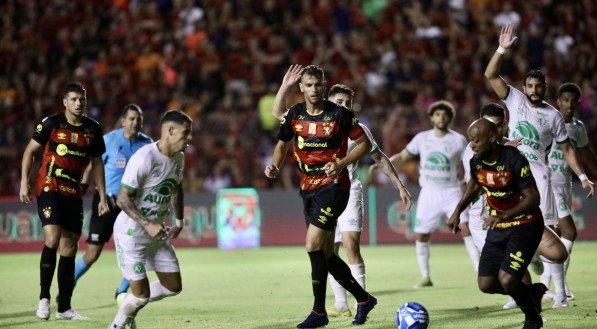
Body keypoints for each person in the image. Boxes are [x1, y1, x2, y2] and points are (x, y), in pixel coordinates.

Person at [272, 78, 412, 318]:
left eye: (348, 102)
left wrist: (399, 185)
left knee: (350, 244)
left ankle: (361, 305)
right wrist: (285, 85)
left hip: (347, 188)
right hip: (317, 188)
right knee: (329, 250)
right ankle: (342, 305)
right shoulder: (315, 118)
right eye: (340, 101)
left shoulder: (357, 128)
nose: (344, 105)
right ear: (330, 100)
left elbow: (379, 158)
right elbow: (280, 114)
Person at [484, 23, 594, 308]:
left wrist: (582, 175)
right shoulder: (515, 99)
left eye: (538, 86)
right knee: (515, 231)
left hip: (539, 180)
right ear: (524, 88)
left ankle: (559, 294)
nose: (534, 90)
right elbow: (490, 74)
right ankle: (523, 287)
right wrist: (502, 49)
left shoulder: (554, 116)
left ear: (545, 88)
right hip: (513, 177)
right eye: (529, 85)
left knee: (547, 232)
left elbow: (568, 149)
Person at [265, 64, 377, 328]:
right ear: (301, 88)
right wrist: (275, 165)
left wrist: (341, 163)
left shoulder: (339, 114)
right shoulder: (294, 114)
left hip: (334, 186)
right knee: (326, 254)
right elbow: (282, 144)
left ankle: (318, 312)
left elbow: (366, 144)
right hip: (308, 187)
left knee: (312, 245)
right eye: (309, 85)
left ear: (324, 86)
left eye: (318, 85)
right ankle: (363, 299)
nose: (314, 89)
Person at [459, 103, 568, 311]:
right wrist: (459, 211)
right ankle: (530, 304)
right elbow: (475, 186)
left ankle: (531, 262)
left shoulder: (510, 149)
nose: (496, 132)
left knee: (557, 254)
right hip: (484, 219)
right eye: (490, 127)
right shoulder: (475, 153)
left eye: (499, 126)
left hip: (515, 216)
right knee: (505, 276)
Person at [20, 82, 108, 320]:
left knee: (69, 248)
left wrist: (101, 194)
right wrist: (23, 182)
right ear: (65, 102)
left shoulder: (93, 129)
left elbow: (97, 163)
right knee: (52, 238)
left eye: (82, 99)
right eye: (74, 99)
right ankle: (44, 298)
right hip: (50, 186)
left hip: (73, 192)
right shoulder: (51, 123)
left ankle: (64, 308)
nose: (79, 103)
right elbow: (30, 152)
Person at [448, 118, 546, 329]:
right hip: (498, 227)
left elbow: (533, 198)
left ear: (492, 137)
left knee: (508, 280)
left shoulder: (514, 159)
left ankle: (533, 318)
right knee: (486, 284)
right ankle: (531, 292)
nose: (471, 145)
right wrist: (457, 211)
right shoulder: (476, 161)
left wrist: (504, 215)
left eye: (475, 140)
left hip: (525, 225)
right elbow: (474, 187)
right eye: (469, 140)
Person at [108, 110, 192, 329]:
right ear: (170, 131)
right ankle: (116, 325)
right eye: (186, 133)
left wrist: (179, 222)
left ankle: (128, 302)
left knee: (173, 287)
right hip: (131, 235)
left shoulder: (179, 158)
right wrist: (148, 224)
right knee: (142, 296)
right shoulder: (145, 158)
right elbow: (122, 199)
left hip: (157, 235)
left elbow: (176, 187)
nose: (190, 138)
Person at [388, 100, 477, 288]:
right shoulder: (422, 138)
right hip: (429, 192)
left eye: (444, 115)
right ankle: (426, 277)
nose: (441, 118)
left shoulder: (459, 140)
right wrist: (385, 164)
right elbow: (404, 156)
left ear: (450, 118)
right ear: (431, 118)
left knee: (467, 229)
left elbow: (470, 162)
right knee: (421, 234)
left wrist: (467, 180)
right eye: (437, 114)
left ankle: (479, 271)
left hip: (451, 191)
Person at [73, 104, 153, 301]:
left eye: (139, 119)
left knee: (137, 251)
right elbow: (91, 166)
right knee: (92, 254)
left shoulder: (148, 145)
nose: (136, 122)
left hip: (132, 207)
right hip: (106, 203)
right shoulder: (109, 141)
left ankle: (122, 292)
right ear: (123, 121)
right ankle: (69, 282)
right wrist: (82, 186)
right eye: (132, 118)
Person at [547, 82, 597, 301]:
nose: (567, 105)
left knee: (560, 237)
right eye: (563, 100)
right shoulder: (548, 122)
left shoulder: (578, 128)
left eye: (571, 101)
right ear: (558, 102)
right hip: (548, 185)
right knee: (568, 233)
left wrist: (589, 175)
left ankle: (557, 285)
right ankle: (552, 288)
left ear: (578, 102)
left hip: (565, 185)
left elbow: (586, 155)